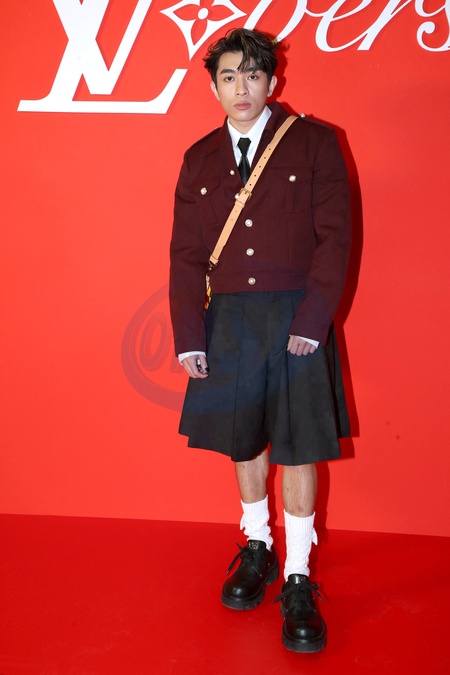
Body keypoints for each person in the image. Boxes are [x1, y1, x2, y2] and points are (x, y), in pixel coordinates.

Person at [169, 28, 351, 653]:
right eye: (228, 77)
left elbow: (335, 240)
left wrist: (313, 319)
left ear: (272, 81)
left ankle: (298, 574)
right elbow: (186, 254)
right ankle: (258, 547)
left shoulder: (315, 143)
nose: (240, 88)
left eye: (252, 74)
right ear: (214, 87)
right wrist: (190, 333)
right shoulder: (198, 159)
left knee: (298, 447)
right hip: (230, 321)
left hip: (297, 313)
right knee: (243, 439)